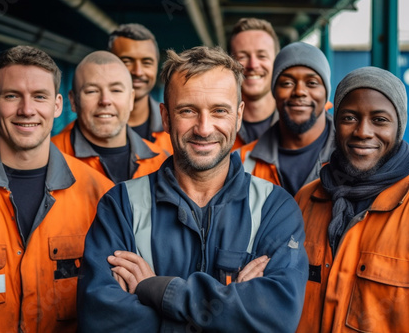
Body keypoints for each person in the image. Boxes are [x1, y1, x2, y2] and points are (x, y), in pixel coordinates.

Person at [77, 46, 308, 332]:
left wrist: (160, 291)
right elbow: (102, 322)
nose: (203, 128)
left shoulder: (275, 209)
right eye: (187, 110)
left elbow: (277, 318)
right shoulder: (121, 206)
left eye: (219, 111)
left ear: (238, 116)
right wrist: (232, 309)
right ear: (165, 116)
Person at [0, 45, 114, 332]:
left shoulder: (100, 194)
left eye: (39, 96)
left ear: (58, 105)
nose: (27, 110)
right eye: (12, 96)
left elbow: (116, 304)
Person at [294, 66, 409, 332]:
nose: (363, 132)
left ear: (399, 126)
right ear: (336, 122)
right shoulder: (306, 199)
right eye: (350, 118)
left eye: (379, 120)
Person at [52, 51, 168, 184]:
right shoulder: (49, 159)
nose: (105, 100)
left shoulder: (163, 163)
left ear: (131, 99)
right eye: (92, 91)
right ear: (73, 101)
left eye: (116, 90)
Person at [237, 41, 335, 196]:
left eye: (312, 83)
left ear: (326, 93)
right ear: (275, 92)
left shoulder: (351, 155)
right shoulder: (241, 162)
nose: (299, 91)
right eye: (287, 83)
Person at [108, 23, 173, 153]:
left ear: (156, 66)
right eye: (127, 61)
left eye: (147, 62)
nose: (138, 72)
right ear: (109, 64)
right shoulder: (72, 138)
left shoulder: (176, 128)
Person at [228, 17, 280, 150]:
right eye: (242, 57)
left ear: (277, 62)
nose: (253, 65)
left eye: (262, 56)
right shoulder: (213, 127)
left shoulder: (303, 125)